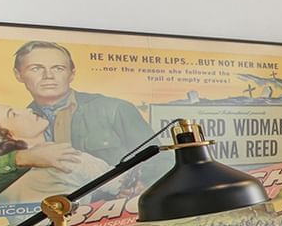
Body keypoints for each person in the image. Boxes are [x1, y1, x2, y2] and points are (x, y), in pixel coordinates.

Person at [11, 40, 167, 187]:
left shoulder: (114, 109)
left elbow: (161, 160)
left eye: (58, 68)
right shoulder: (14, 123)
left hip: (117, 203)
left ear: (72, 74)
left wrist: (140, 187)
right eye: (36, 68)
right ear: (18, 75)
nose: (48, 76)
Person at [0, 96, 110, 203]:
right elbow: (116, 184)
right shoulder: (61, 158)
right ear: (2, 137)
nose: (28, 110)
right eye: (13, 114)